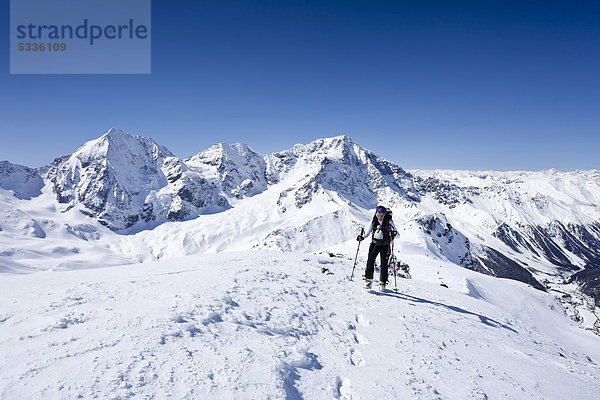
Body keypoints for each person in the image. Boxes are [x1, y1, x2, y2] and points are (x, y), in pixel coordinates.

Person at [357, 205, 398, 290]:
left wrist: (393, 235)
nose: (379, 217)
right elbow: (367, 232)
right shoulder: (373, 221)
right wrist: (362, 238)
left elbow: (398, 234)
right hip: (375, 244)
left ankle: (383, 283)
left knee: (384, 264)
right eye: (378, 215)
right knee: (370, 262)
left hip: (385, 245)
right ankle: (368, 281)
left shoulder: (389, 222)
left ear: (384, 214)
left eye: (381, 216)